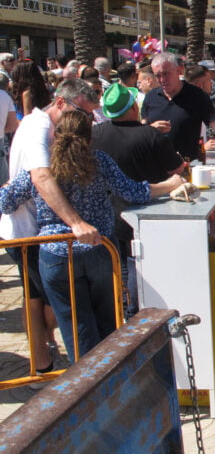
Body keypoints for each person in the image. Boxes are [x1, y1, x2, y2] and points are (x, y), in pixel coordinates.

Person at [0, 108, 182, 362]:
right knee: (108, 321)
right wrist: (169, 185)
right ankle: (110, 377)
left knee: (76, 328)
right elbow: (132, 191)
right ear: (89, 137)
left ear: (57, 135)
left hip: (57, 255)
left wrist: (7, 187)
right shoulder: (99, 162)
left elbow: (6, 203)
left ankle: (88, 384)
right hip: (100, 250)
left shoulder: (41, 168)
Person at [0, 80, 102, 380]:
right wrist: (76, 222)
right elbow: (41, 177)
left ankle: (43, 358)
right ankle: (42, 363)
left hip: (39, 232)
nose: (84, 122)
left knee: (40, 299)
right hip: (30, 233)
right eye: (80, 113)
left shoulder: (42, 127)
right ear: (59, 103)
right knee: (42, 301)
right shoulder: (36, 129)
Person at [92, 83, 184, 317]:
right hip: (149, 212)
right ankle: (136, 313)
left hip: (109, 212)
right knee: (137, 266)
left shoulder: (96, 134)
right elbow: (176, 168)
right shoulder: (150, 135)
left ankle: (122, 310)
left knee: (121, 264)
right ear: (134, 106)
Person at [142, 53, 215, 164]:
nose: (162, 79)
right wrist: (150, 128)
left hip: (188, 165)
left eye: (166, 74)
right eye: (158, 75)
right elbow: (141, 129)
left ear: (179, 70)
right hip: (155, 165)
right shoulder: (150, 97)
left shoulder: (196, 95)